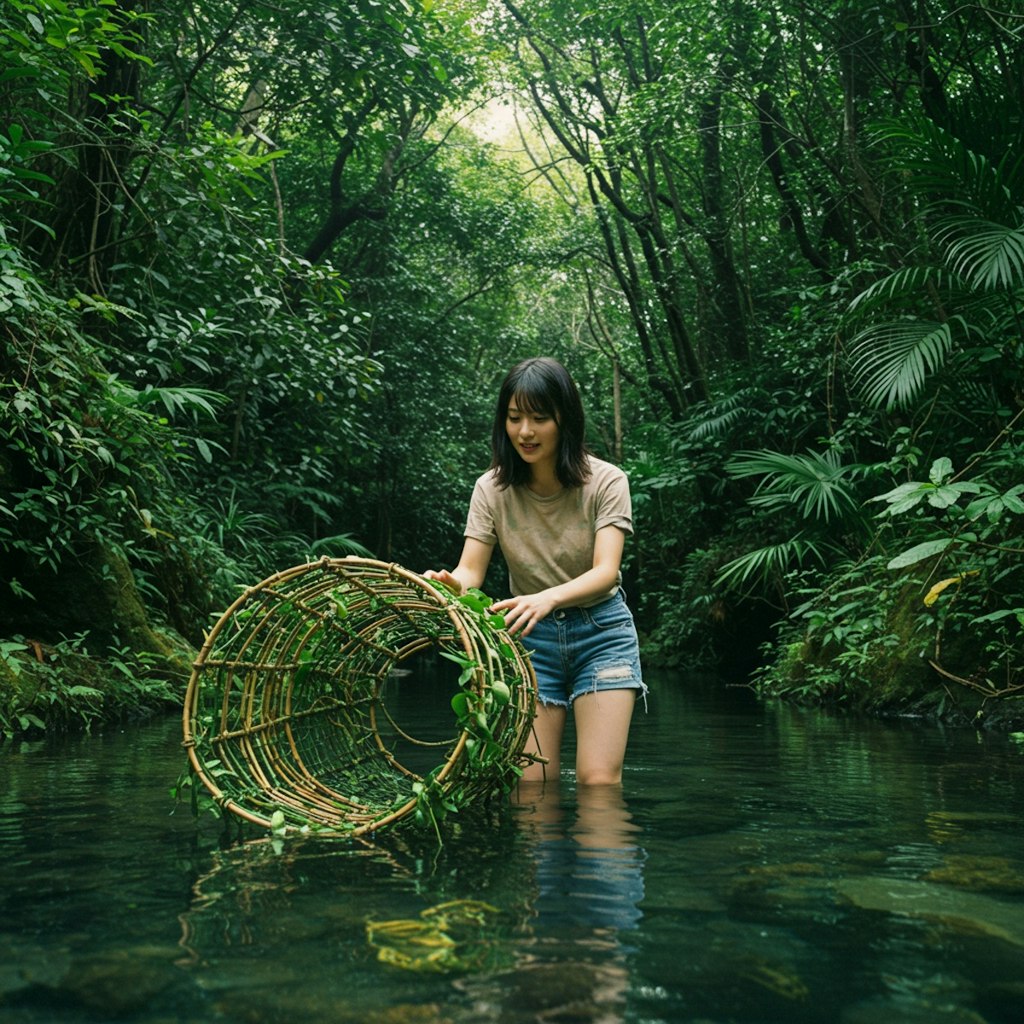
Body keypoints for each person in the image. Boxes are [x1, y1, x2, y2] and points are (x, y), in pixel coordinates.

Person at [425, 357, 646, 786]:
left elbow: (606, 571)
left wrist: (547, 598)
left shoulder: (607, 481)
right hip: (529, 639)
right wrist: (452, 583)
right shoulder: (491, 488)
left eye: (539, 418)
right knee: (530, 785)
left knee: (597, 782)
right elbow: (470, 570)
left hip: (602, 633)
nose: (525, 431)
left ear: (565, 419)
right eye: (514, 418)